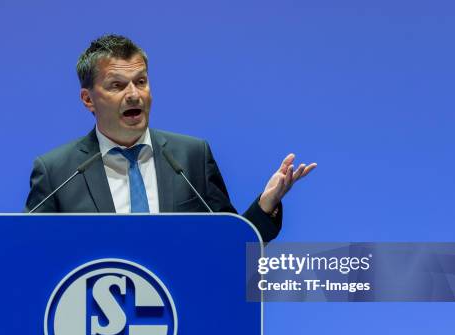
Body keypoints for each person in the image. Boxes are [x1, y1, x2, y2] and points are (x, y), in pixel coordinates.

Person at [24, 34, 316, 242]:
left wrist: (266, 204)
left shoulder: (191, 157)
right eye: (117, 85)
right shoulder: (57, 172)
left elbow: (232, 246)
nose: (134, 94)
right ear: (88, 99)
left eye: (141, 81)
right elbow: (28, 255)